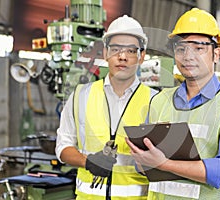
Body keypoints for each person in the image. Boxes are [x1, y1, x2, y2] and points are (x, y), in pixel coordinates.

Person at [125, 8, 220, 200]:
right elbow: (141, 165)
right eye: (181, 48)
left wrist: (163, 164)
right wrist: (143, 158)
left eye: (198, 48)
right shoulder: (158, 101)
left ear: (216, 54)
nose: (188, 56)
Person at [56, 15, 158, 200]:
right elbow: (63, 147)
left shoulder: (156, 102)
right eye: (116, 49)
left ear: (141, 56)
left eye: (131, 51)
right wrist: (87, 162)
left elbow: (164, 162)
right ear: (105, 53)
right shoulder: (80, 96)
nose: (122, 57)